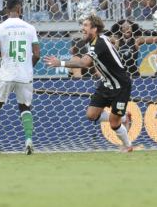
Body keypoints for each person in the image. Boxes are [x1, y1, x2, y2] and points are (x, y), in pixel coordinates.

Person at [43, 15, 133, 153]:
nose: (82, 28)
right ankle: (124, 116)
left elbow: (83, 63)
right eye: (82, 25)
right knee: (91, 115)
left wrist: (59, 63)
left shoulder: (100, 43)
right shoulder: (95, 42)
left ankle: (127, 145)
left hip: (120, 86)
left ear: (95, 29)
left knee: (114, 123)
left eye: (85, 25)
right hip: (106, 83)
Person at [0, 0, 41, 156]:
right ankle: (28, 139)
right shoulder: (30, 28)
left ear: (6, 11)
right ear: (20, 10)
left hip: (6, 74)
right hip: (24, 75)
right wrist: (28, 68)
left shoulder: (0, 28)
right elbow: (37, 54)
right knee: (25, 108)